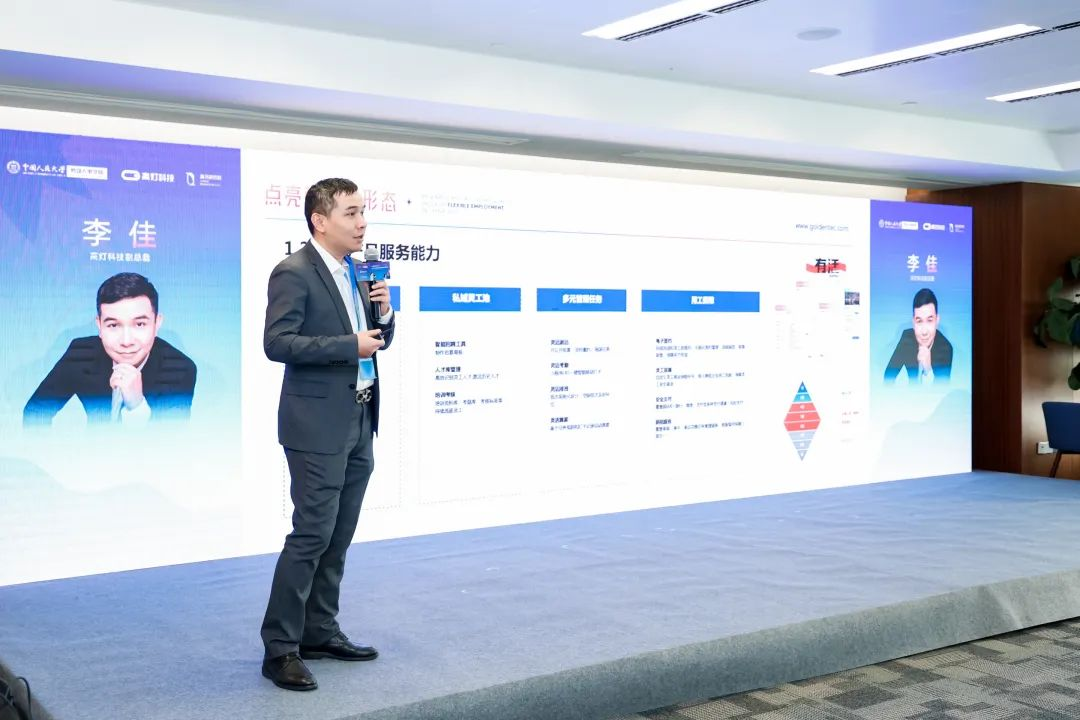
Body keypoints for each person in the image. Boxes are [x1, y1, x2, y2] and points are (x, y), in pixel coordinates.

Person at [260, 178, 396, 692]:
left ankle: (319, 630)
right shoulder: (293, 271)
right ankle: (280, 648)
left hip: (359, 419)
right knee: (312, 534)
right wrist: (347, 344)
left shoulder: (357, 272)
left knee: (339, 534)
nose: (362, 223)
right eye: (352, 213)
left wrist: (384, 313)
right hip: (315, 426)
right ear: (320, 220)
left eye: (363, 212)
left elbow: (376, 340)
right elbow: (278, 343)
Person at [23, 272, 196, 426]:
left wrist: (136, 406)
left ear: (157, 324)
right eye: (113, 325)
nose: (126, 341)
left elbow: (172, 444)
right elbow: (35, 412)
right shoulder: (82, 354)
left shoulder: (179, 369)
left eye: (140, 324)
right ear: (99, 325)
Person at [884, 287, 952, 385]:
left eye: (929, 320)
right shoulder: (907, 337)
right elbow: (888, 377)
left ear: (937, 320)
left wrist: (928, 370)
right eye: (919, 321)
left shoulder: (946, 349)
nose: (924, 331)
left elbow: (941, 389)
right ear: (913, 322)